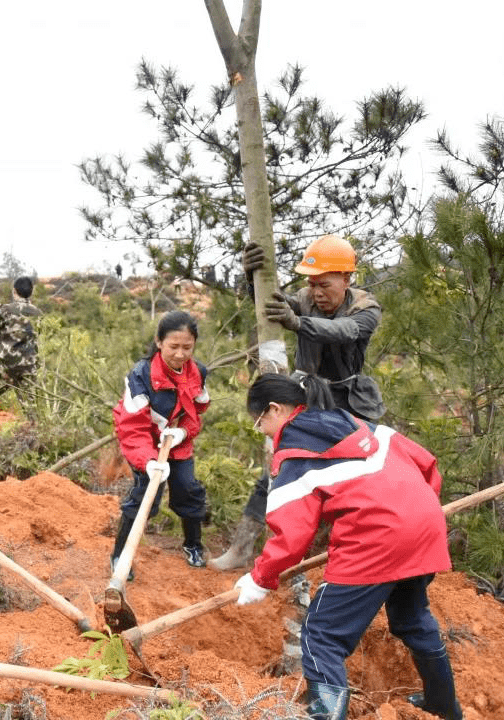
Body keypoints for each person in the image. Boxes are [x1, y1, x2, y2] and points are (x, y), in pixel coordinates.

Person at [233, 373, 460, 720]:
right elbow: (427, 463)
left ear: (275, 410)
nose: (262, 430)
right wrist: (415, 516)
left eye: (258, 422)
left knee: (321, 636)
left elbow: (291, 535)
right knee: (413, 617)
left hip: (377, 537)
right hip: (425, 524)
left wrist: (260, 578)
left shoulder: (296, 450)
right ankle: (444, 707)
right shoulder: (360, 423)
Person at [211, 234, 386, 571]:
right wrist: (253, 279)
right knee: (277, 468)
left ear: (347, 278)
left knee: (357, 480)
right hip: (304, 397)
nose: (317, 292)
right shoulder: (305, 299)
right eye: (312, 284)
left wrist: (298, 323)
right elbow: (272, 305)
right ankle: (243, 549)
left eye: (325, 284)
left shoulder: (365, 307)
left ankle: (348, 557)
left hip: (348, 403)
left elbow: (345, 331)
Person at [111, 310, 211, 575]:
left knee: (187, 489)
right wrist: (149, 461)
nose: (180, 354)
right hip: (145, 445)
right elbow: (132, 429)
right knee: (145, 495)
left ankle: (193, 545)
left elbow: (197, 413)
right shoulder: (140, 376)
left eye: (187, 347)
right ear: (159, 342)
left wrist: (182, 433)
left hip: (176, 442)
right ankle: (121, 556)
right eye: (173, 346)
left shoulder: (198, 372)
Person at [0, 276, 41, 420]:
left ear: (14, 291)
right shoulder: (38, 313)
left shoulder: (5, 309)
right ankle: (38, 438)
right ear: (31, 292)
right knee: (31, 408)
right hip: (29, 366)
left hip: (6, 366)